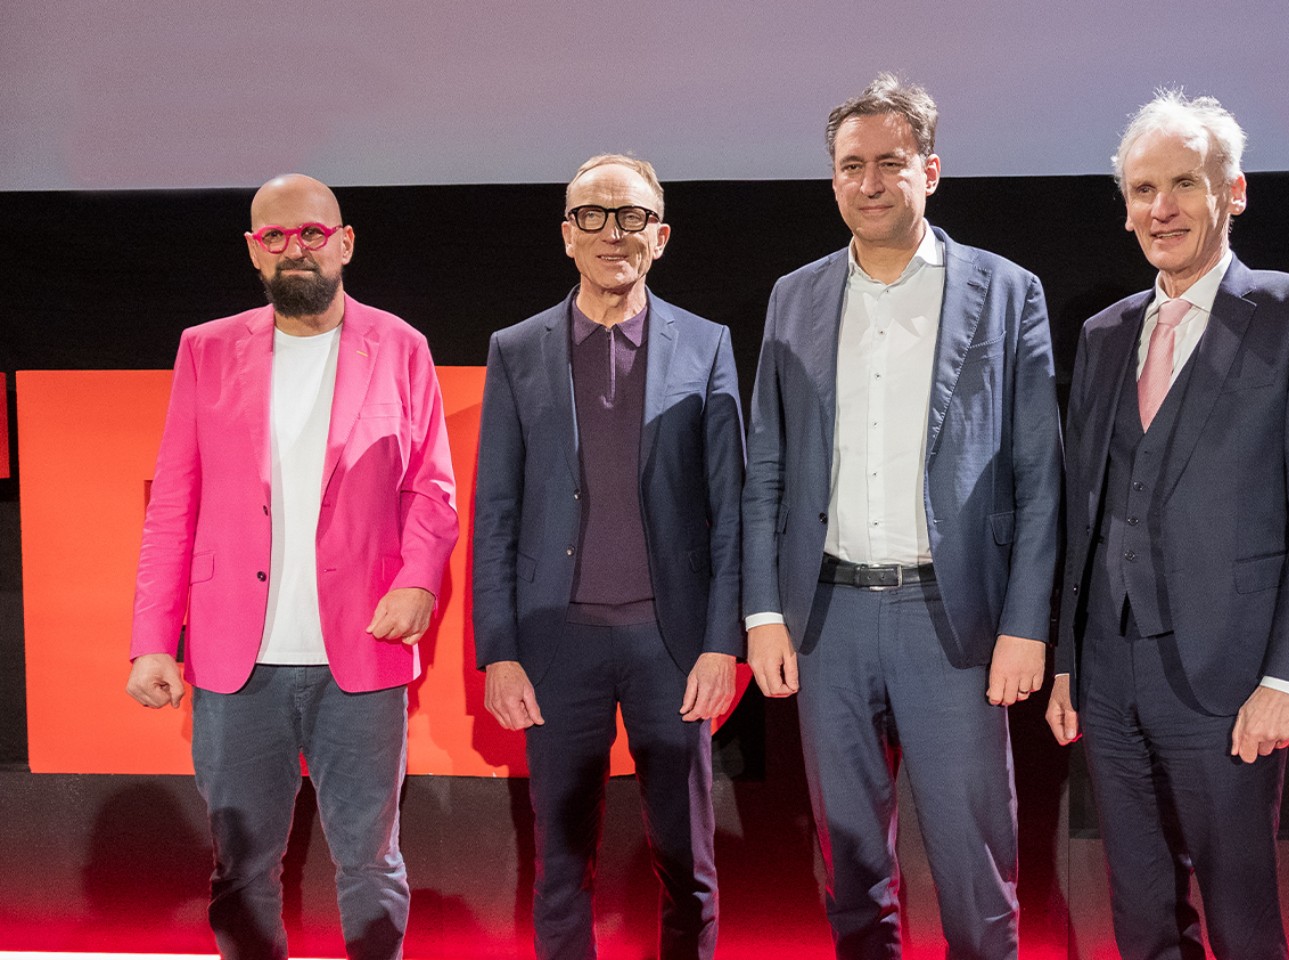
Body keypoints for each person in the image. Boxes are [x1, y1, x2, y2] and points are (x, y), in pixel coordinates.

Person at [741, 74, 1061, 960]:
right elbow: (765, 464)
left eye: (890, 163)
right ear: (833, 178)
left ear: (931, 170)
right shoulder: (794, 297)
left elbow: (1039, 475)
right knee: (849, 862)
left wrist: (1027, 625)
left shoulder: (1004, 291)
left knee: (972, 858)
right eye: (852, 166)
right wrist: (765, 613)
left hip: (950, 621)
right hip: (828, 617)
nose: (870, 182)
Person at [1046, 90, 1289, 960]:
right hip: (1109, 675)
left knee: (1240, 915)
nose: (1161, 209)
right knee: (1140, 912)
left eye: (1184, 184)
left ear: (1234, 191)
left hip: (1230, 675)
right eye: (1143, 190)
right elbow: (1086, 511)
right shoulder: (1107, 334)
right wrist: (1070, 660)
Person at [125, 173, 459, 960]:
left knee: (370, 861)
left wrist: (417, 580)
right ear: (254, 253)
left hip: (361, 655)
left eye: (310, 233)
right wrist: (151, 640)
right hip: (236, 662)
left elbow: (432, 490)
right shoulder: (205, 350)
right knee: (241, 868)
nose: (293, 249)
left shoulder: (401, 345)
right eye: (274, 238)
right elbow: (174, 501)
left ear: (344, 242)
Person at [472, 153, 744, 960]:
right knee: (560, 865)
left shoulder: (709, 344)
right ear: (566, 235)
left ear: (658, 237)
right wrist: (500, 653)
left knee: (687, 862)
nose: (611, 232)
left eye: (630, 217)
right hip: (557, 645)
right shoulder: (516, 350)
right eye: (592, 214)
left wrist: (722, 642)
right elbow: (496, 513)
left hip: (673, 642)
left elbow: (731, 507)